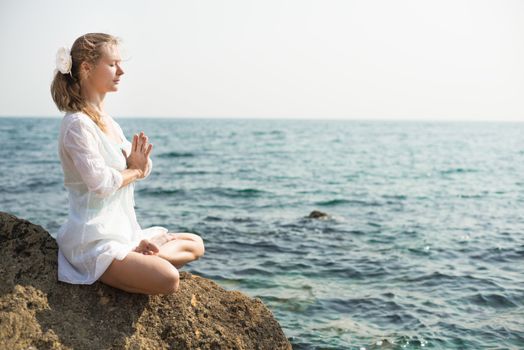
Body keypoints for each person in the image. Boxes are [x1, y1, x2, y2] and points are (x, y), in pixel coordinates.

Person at [50, 33, 204, 295]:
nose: (120, 71)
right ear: (86, 67)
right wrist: (134, 170)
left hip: (123, 234)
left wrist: (137, 167)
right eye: (113, 64)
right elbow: (101, 182)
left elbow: (139, 168)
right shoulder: (77, 124)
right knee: (168, 279)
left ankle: (139, 255)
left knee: (195, 243)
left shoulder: (108, 122)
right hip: (93, 241)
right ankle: (137, 262)